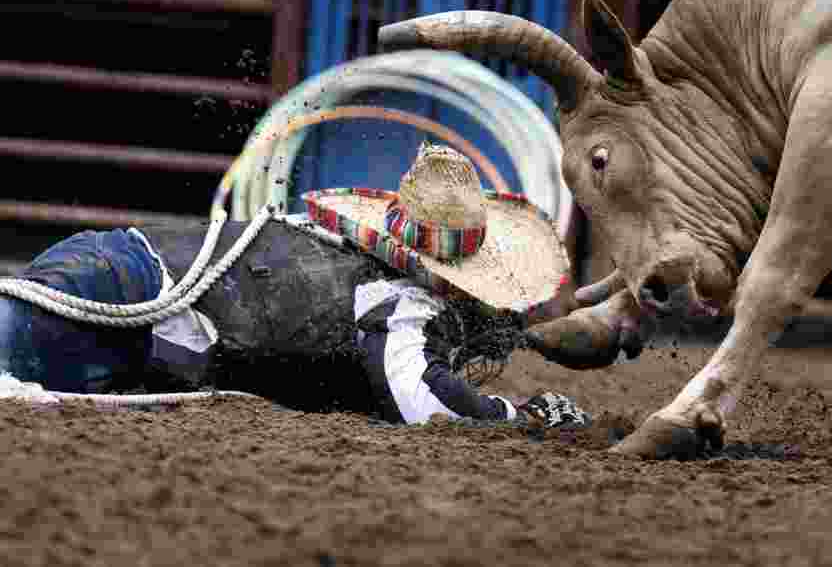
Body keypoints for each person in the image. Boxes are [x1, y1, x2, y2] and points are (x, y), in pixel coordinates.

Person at [0, 143, 593, 429]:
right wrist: (517, 412)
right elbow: (425, 403)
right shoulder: (396, 302)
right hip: (115, 319)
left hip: (107, 271)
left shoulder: (327, 243)